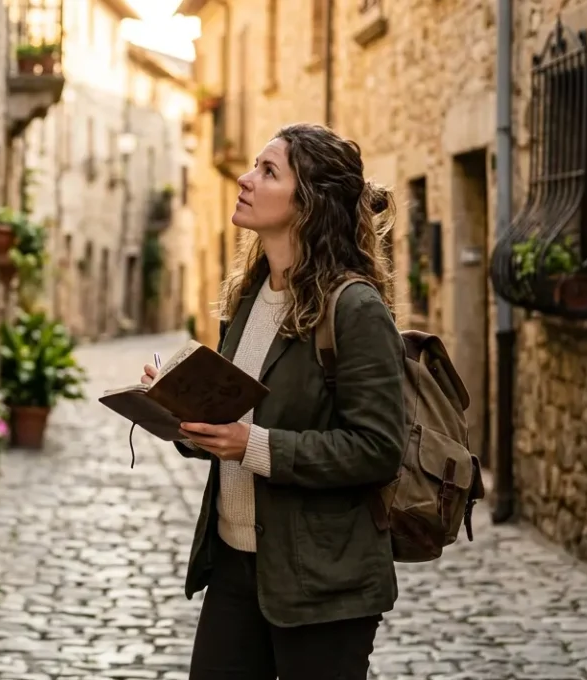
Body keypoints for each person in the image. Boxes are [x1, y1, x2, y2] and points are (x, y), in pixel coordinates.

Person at [140, 123, 406, 680]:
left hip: (322, 582)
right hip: (236, 566)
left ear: (308, 202)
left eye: (268, 171)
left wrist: (253, 447)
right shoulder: (247, 296)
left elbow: (378, 450)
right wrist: (178, 408)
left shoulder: (354, 308)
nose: (245, 179)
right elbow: (231, 424)